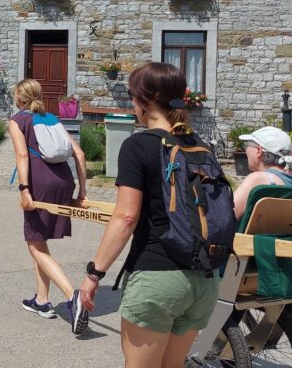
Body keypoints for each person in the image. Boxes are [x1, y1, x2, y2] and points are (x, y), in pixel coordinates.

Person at [77, 63, 221, 368]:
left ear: (147, 100)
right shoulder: (201, 147)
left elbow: (126, 217)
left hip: (158, 278)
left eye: (132, 96)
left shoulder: (137, 145)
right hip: (203, 281)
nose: (132, 103)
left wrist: (94, 274)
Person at [7, 79, 89, 334]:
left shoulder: (17, 120)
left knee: (34, 244)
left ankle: (72, 296)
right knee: (39, 240)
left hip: (39, 183)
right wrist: (83, 191)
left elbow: (22, 155)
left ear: (19, 99)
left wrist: (24, 189)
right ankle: (41, 301)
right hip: (64, 181)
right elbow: (80, 154)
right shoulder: (52, 118)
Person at [233, 126, 292, 219]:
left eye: (246, 145)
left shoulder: (257, 179)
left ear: (258, 151)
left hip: (248, 234)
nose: (245, 150)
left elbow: (224, 218)